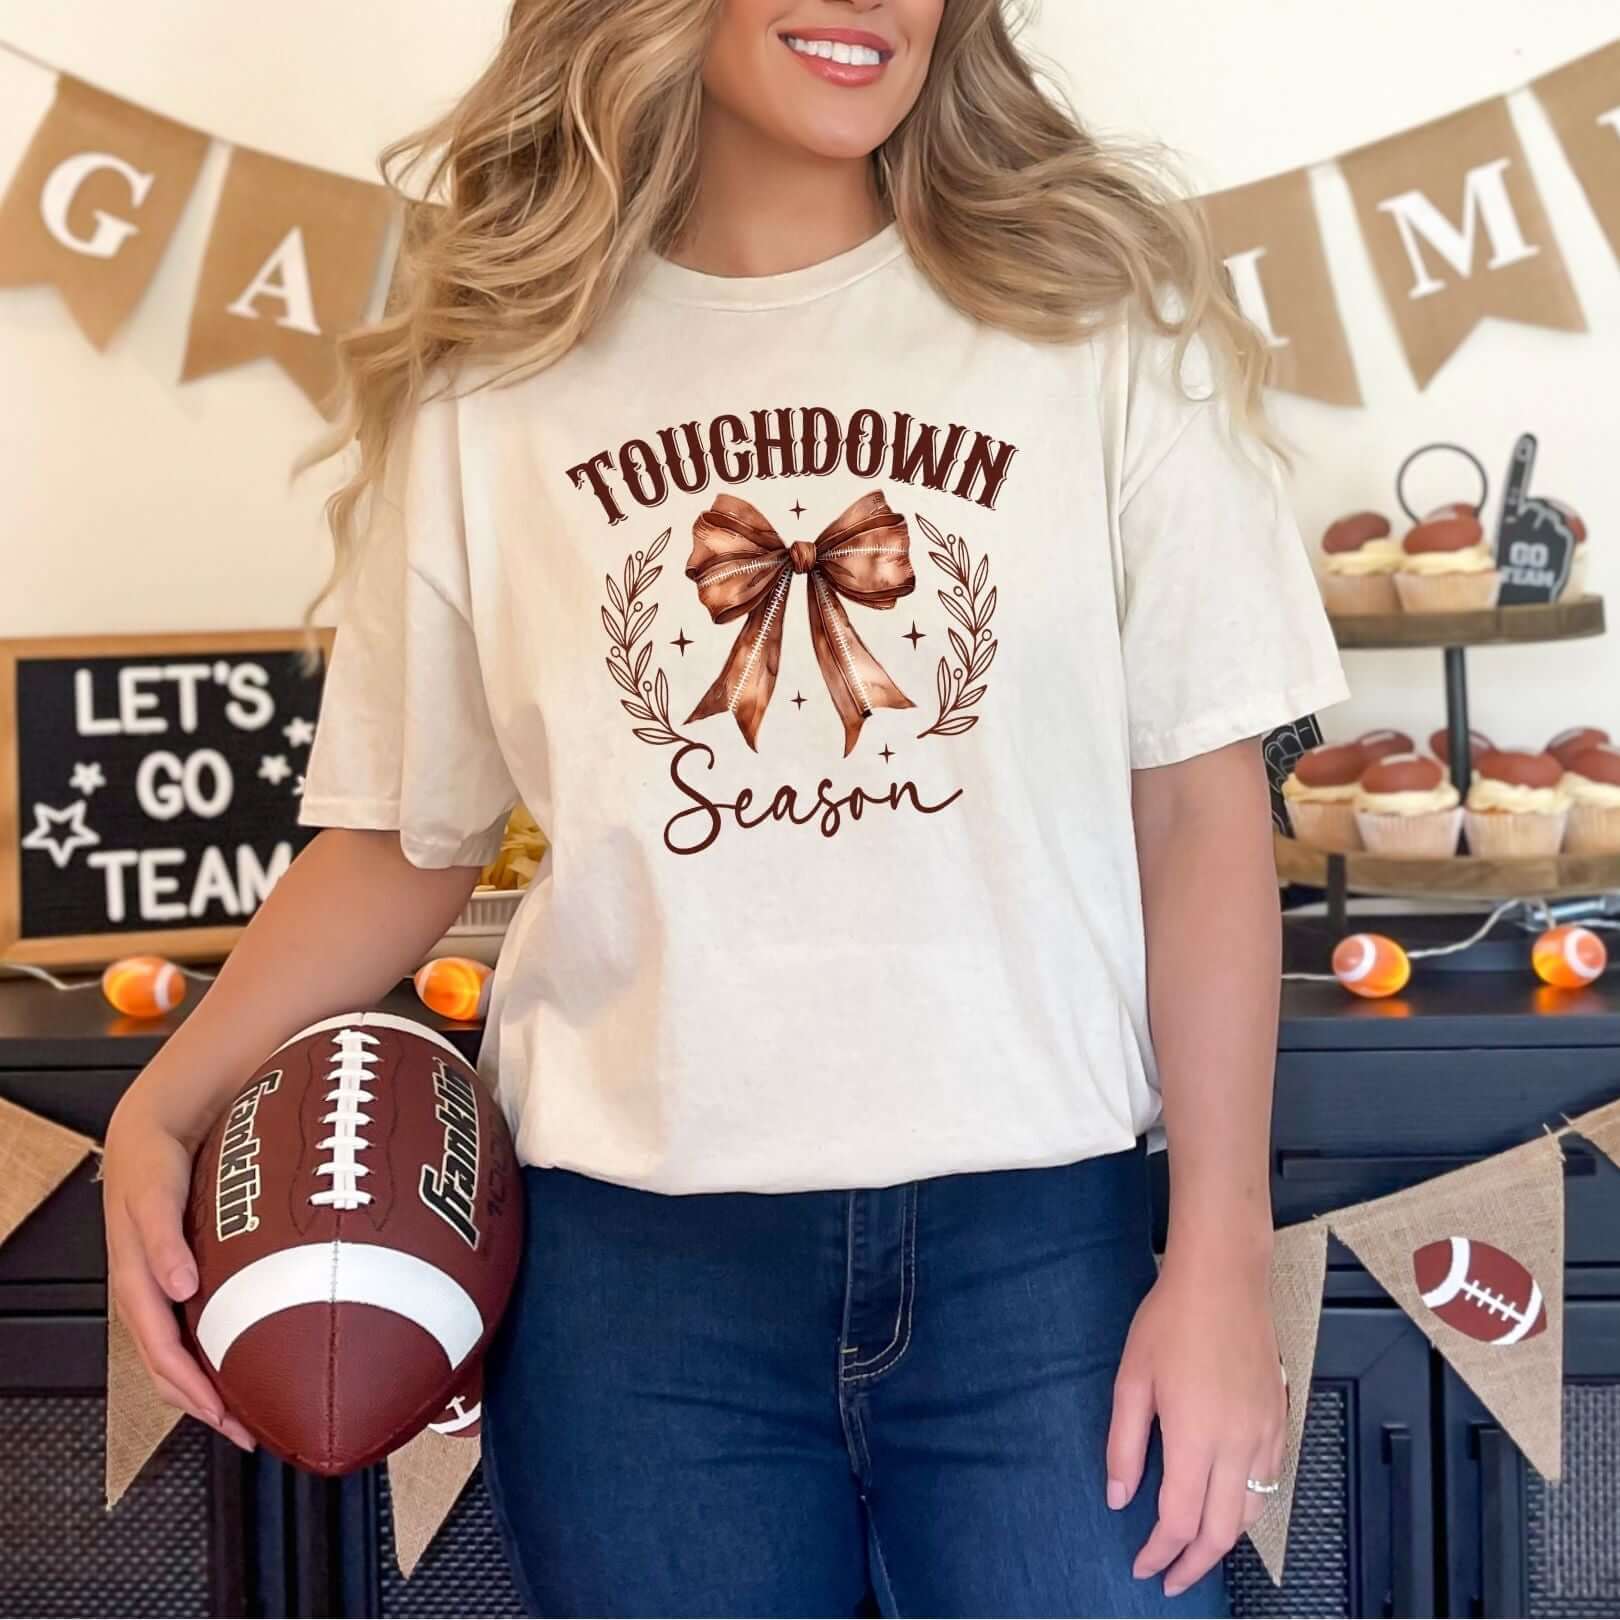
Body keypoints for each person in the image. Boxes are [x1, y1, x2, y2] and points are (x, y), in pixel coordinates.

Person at [102, 1, 1348, 1614]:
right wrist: (165, 1100)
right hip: (637, 1292)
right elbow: (408, 837)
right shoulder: (495, 371)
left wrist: (1222, 1261)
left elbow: (1199, 818)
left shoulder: (1099, 311)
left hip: (1048, 1255)